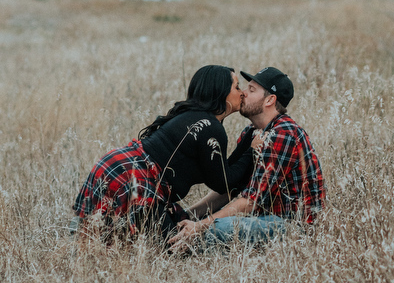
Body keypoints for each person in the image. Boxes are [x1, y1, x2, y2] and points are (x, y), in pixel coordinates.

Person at [71, 65, 258, 242]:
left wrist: (250, 136)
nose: (242, 93)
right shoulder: (212, 128)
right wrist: (252, 150)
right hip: (135, 179)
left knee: (97, 236)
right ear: (221, 92)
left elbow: (223, 171)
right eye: (237, 87)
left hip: (117, 165)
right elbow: (223, 181)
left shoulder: (194, 116)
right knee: (172, 247)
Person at [169, 67, 326, 251]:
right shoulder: (251, 132)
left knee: (221, 229)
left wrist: (200, 226)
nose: (243, 93)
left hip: (292, 225)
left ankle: (192, 246)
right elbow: (232, 188)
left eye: (251, 90)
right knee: (214, 225)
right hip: (262, 219)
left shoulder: (283, 134)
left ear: (269, 100)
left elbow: (251, 201)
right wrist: (187, 215)